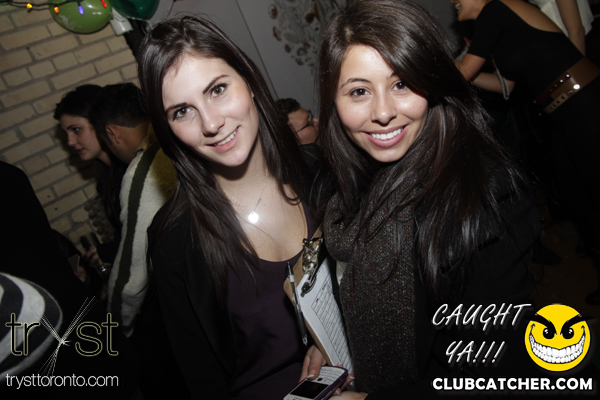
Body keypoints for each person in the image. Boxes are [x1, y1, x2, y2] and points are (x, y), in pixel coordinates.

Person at [305, 0, 543, 397]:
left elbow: (499, 375)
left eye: (401, 84)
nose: (383, 112)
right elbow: (361, 290)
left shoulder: (485, 197)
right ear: (334, 103)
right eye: (359, 91)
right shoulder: (347, 185)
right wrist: (334, 340)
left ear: (431, 81)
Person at [138, 16, 315, 400]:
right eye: (181, 111)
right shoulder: (176, 241)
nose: (211, 122)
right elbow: (203, 384)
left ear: (247, 80)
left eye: (217, 90)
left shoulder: (322, 172)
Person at [453, 0, 600, 303]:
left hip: (584, 102)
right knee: (577, 196)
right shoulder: (495, 26)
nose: (452, 1)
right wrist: (463, 68)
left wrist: (434, 62)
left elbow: (464, 71)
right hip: (560, 112)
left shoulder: (494, 9)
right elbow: (505, 86)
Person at [89, 82, 176, 338]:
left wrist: (113, 332)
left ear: (112, 134)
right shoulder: (177, 134)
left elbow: (131, 277)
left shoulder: (143, 170)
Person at [54, 84, 126, 285]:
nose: (70, 141)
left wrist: (109, 251)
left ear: (101, 120)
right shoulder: (105, 183)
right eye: (66, 133)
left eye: (76, 130)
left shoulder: (131, 171)